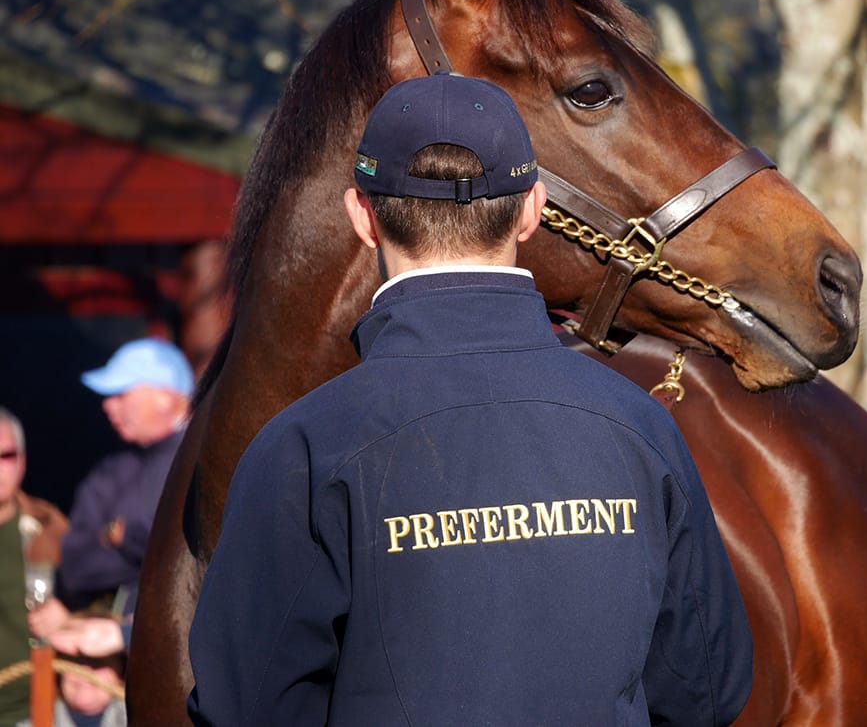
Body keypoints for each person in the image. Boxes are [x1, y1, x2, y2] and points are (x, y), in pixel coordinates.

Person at [187, 72, 754, 725]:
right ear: (533, 209)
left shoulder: (305, 448)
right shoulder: (640, 425)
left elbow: (243, 708)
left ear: (362, 217)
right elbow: (707, 688)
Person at [28, 339, 192, 642]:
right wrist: (147, 544)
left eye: (121, 393)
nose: (107, 405)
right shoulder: (111, 472)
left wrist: (122, 536)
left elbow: (195, 553)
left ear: (166, 397)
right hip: (110, 654)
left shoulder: (208, 460)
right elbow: (77, 566)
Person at [0, 408, 68, 727]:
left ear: (23, 459)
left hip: (39, 709)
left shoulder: (49, 526)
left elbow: (102, 603)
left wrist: (68, 615)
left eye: (6, 455)